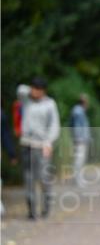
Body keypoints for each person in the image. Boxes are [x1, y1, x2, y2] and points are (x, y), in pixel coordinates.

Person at [19, 77, 60, 219]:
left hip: (41, 146)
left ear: (44, 90)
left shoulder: (50, 104)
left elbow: (54, 125)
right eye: (34, 89)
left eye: (38, 89)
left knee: (44, 177)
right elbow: (20, 89)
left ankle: (46, 206)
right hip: (26, 143)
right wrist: (31, 90)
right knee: (28, 178)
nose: (35, 92)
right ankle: (31, 210)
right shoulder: (26, 100)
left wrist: (48, 142)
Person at [70, 94, 90, 186]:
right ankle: (77, 179)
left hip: (81, 139)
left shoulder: (79, 110)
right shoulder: (78, 111)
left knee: (81, 159)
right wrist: (79, 138)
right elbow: (77, 127)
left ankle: (79, 178)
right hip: (80, 139)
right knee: (79, 159)